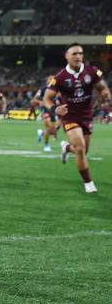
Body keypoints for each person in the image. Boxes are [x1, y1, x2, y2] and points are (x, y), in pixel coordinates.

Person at [43, 43, 111, 193]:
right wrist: (55, 108)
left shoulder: (92, 72)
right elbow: (46, 98)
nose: (78, 56)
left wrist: (105, 95)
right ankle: (89, 183)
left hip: (87, 115)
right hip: (70, 116)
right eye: (74, 54)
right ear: (66, 56)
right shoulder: (60, 77)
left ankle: (66, 147)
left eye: (80, 53)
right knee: (80, 148)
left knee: (83, 151)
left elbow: (103, 88)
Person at [31, 76, 60, 152]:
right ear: (47, 81)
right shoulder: (43, 89)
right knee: (49, 128)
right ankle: (46, 145)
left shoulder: (57, 89)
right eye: (50, 79)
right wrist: (41, 102)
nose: (51, 80)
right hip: (45, 110)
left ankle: (42, 133)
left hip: (53, 111)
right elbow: (34, 99)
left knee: (54, 129)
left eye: (53, 79)